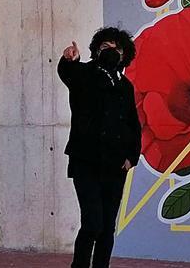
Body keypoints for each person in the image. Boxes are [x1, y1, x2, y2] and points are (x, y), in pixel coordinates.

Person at [58, 28, 142, 268]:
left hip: (116, 165)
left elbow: (132, 123)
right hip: (86, 162)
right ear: (96, 50)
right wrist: (69, 59)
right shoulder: (84, 74)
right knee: (92, 223)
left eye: (117, 48)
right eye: (106, 47)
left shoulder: (125, 85)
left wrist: (131, 157)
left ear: (124, 55)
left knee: (107, 227)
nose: (111, 52)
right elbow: (68, 72)